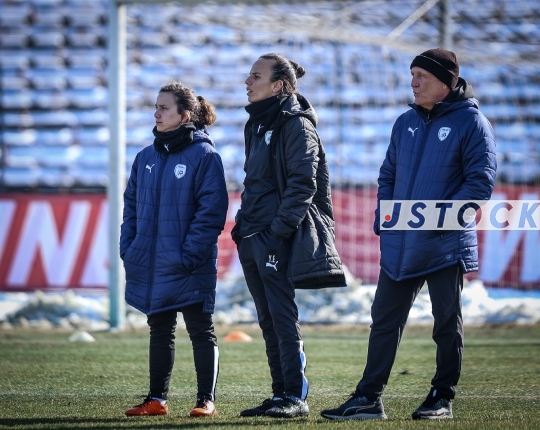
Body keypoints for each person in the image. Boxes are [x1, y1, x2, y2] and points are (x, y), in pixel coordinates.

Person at [321, 48, 497, 421]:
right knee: (384, 320)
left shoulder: (472, 123)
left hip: (444, 242)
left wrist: (436, 220)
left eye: (422, 76)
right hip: (401, 242)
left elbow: (479, 184)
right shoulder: (405, 122)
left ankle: (442, 397)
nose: (413, 83)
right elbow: (387, 175)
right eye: (412, 75)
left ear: (446, 82)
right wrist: (386, 218)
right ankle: (368, 398)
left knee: (446, 322)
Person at [232, 53, 347, 418]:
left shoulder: (297, 125)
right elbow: (255, 182)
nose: (247, 82)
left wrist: (278, 232)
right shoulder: (256, 124)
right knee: (267, 318)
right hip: (252, 234)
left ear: (278, 85)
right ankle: (280, 393)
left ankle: (296, 397)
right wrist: (242, 227)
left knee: (282, 316)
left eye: (256, 76)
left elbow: (303, 185)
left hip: (274, 236)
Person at [120, 81, 228, 417]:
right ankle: (156, 400)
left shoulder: (205, 156)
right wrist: (129, 248)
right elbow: (130, 207)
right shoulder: (145, 157)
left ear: (184, 116)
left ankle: (205, 401)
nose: (156, 113)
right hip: (151, 262)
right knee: (160, 330)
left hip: (189, 263)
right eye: (156, 107)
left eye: (164, 108)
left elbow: (211, 212)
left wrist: (189, 255)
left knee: (200, 330)